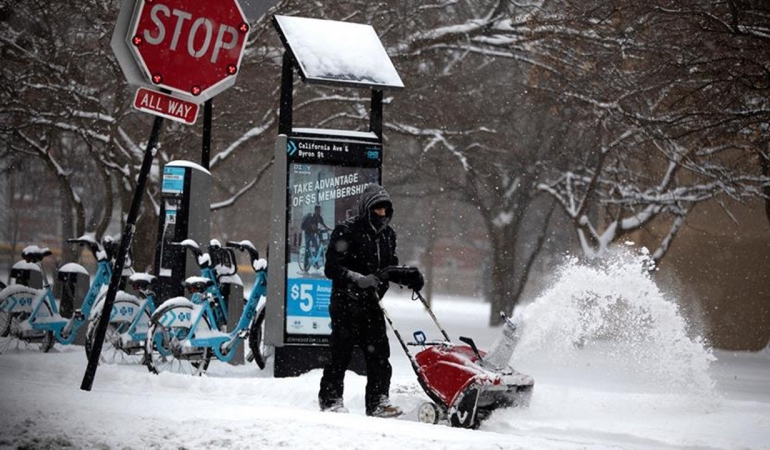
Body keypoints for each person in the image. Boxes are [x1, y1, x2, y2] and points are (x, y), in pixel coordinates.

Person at [318, 183, 403, 418]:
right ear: (367, 209)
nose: (382, 215)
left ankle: (378, 402)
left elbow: (389, 267)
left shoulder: (388, 235)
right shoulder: (346, 231)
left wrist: (407, 276)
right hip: (345, 302)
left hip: (372, 304)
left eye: (385, 210)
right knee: (340, 353)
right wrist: (357, 279)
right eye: (377, 210)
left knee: (379, 356)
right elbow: (331, 267)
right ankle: (331, 399)